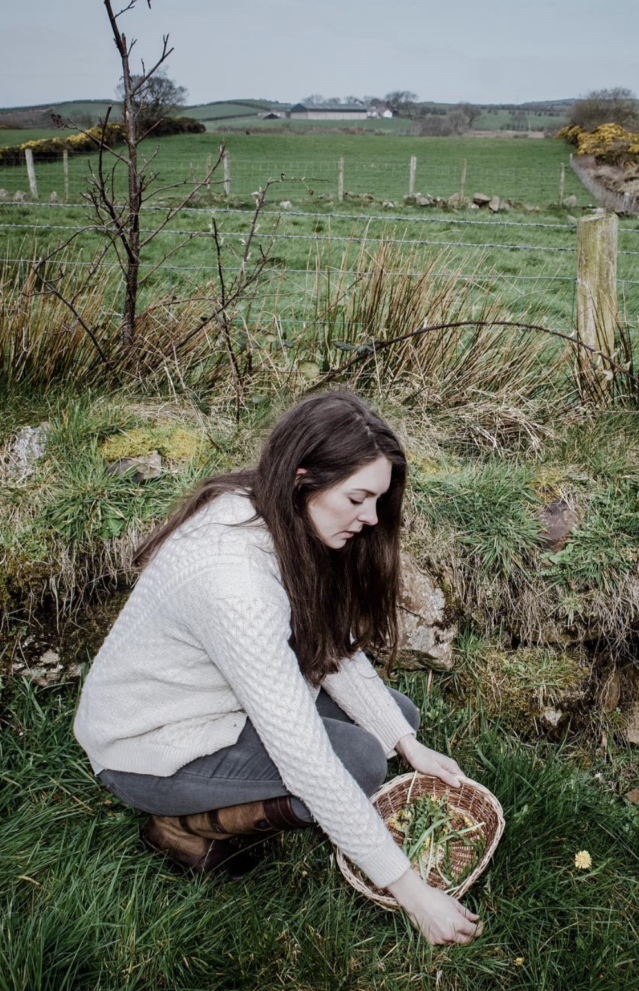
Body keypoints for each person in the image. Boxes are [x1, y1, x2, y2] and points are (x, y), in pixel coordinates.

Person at [72, 390, 484, 947]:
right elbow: (306, 758)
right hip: (147, 743)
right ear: (303, 477)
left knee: (395, 719)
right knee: (358, 761)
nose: (371, 518)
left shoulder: (276, 512)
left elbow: (329, 643)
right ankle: (181, 827)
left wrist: (407, 744)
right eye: (358, 498)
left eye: (379, 500)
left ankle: (369, 753)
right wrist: (411, 891)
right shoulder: (232, 580)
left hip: (216, 698)